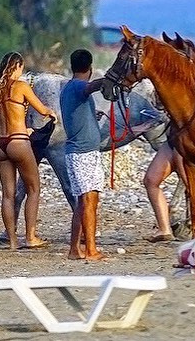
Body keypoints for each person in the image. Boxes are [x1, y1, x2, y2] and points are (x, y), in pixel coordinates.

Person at [0, 52, 57, 250]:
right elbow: (42, 110)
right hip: (19, 141)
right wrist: (51, 113)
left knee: (7, 194)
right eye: (21, 68)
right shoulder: (21, 86)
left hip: (1, 143)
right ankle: (30, 236)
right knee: (33, 188)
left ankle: (11, 241)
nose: (22, 71)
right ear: (16, 66)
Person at [60, 49, 105, 260]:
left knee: (86, 201)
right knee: (87, 200)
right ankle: (91, 250)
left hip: (85, 152)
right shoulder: (79, 86)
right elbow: (90, 87)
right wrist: (107, 80)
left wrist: (92, 115)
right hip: (82, 153)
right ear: (90, 68)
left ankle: (74, 249)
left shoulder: (69, 88)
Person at [144, 140, 195, 242]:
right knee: (151, 180)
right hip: (172, 139)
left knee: (193, 188)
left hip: (187, 140)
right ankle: (164, 230)